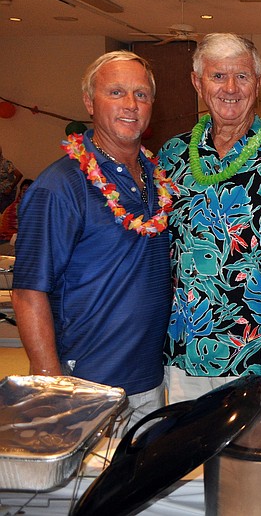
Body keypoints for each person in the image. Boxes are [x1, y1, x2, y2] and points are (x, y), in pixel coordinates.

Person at [159, 34, 261, 402]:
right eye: (218, 76)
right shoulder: (171, 156)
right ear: (197, 83)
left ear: (258, 83)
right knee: (187, 441)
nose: (231, 89)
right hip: (185, 354)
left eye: (242, 76)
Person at [12, 51, 174, 429]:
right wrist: (52, 385)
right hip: (85, 386)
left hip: (149, 381)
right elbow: (27, 293)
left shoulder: (158, 178)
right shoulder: (61, 186)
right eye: (116, 92)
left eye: (141, 94)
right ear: (89, 102)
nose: (130, 104)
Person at [0, 145, 22, 214]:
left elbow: (19, 175)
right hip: (1, 193)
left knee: (4, 213)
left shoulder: (6, 163)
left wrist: (10, 188)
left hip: (6, 194)